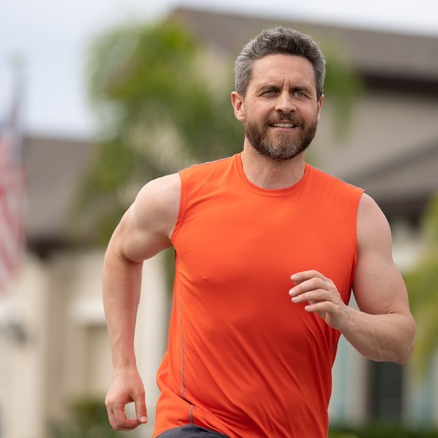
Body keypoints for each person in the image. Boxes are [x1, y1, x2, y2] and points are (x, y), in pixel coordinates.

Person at [102, 26, 416, 438]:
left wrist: (344, 316)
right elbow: (122, 254)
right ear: (239, 104)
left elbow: (400, 339)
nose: (285, 105)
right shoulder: (178, 197)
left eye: (299, 93)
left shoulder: (357, 214)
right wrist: (124, 366)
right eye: (270, 91)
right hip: (196, 425)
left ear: (318, 106)